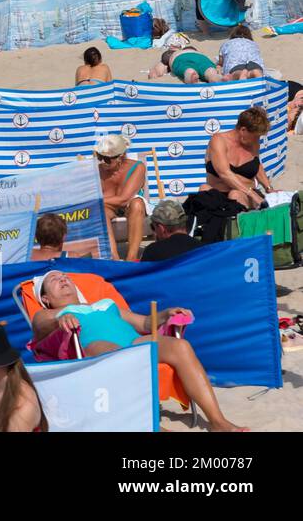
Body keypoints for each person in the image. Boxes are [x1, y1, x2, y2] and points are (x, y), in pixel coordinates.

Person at [32, 270, 245, 431]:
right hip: (98, 350)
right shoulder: (49, 314)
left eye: (65, 277)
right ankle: (146, 422)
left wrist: (166, 314)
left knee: (181, 346)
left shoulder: (105, 304)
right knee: (120, 358)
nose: (62, 279)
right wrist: (59, 320)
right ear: (46, 299)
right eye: (54, 280)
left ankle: (218, 421)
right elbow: (40, 327)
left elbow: (144, 322)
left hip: (133, 342)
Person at [198, 106, 273, 213]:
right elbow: (224, 173)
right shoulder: (219, 140)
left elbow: (257, 166)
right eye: (255, 136)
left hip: (245, 196)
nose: (258, 139)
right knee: (204, 189)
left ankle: (236, 227)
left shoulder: (253, 143)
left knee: (235, 194)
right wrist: (252, 194)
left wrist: (268, 188)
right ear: (243, 130)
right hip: (220, 193)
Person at [95, 134, 148, 262]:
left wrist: (95, 201)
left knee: (137, 204)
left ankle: (131, 258)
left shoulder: (137, 167)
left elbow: (124, 199)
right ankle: (114, 258)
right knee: (100, 210)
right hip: (109, 208)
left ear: (121, 156)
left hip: (128, 206)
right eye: (100, 157)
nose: (102, 162)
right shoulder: (97, 169)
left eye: (107, 159)